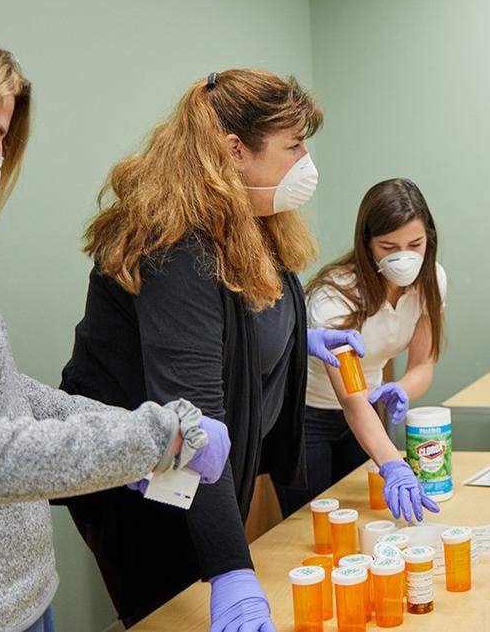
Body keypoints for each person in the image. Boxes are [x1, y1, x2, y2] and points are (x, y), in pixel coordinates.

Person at [0, 11, 229, 632]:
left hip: (17, 596)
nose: (0, 158)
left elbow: (8, 397)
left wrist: (136, 440)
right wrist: (148, 440)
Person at [57, 68, 369, 631]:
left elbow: (246, 319)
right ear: (234, 151)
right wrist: (230, 569)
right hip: (148, 483)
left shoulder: (249, 217)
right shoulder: (174, 246)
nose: (305, 162)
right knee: (177, 613)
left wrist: (301, 342)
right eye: (293, 146)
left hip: (204, 463)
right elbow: (192, 414)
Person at [274, 178, 446, 524]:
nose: (405, 257)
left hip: (368, 412)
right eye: (388, 246)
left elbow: (422, 364)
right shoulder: (335, 297)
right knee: (312, 526)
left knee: (371, 520)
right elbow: (351, 397)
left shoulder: (431, 281)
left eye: (415, 244)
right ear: (367, 245)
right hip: (307, 417)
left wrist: (401, 388)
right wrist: (394, 464)